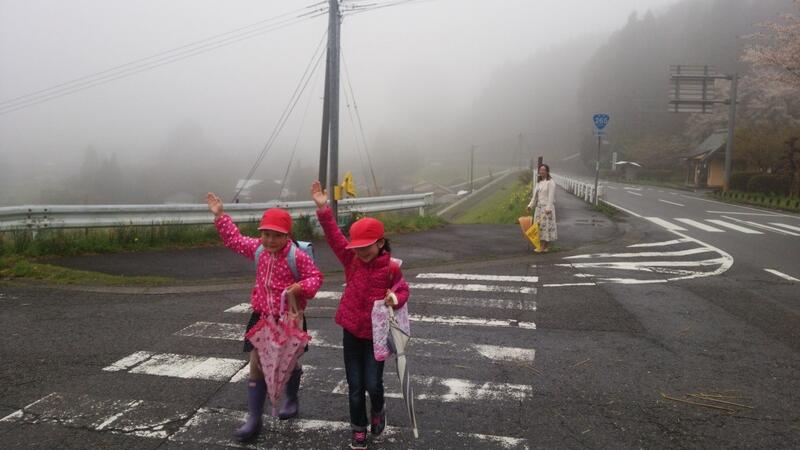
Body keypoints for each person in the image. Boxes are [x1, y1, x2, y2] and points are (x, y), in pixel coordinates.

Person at [206, 192, 323, 442]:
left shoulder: (296, 256)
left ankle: (291, 398)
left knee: (288, 362)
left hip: (289, 318)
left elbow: (315, 277)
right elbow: (234, 240)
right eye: (266, 233)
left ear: (287, 235)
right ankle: (254, 419)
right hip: (261, 315)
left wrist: (300, 288)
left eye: (277, 235)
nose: (270, 240)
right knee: (257, 363)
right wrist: (220, 216)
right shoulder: (258, 250)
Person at [310, 181, 410, 450]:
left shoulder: (391, 268)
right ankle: (358, 428)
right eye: (357, 247)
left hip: (376, 337)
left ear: (380, 243)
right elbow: (334, 236)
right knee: (354, 386)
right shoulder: (352, 260)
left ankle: (378, 408)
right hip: (352, 332)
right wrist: (323, 210)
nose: (361, 251)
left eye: (366, 246)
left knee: (373, 384)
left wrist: (394, 297)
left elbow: (403, 290)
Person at [526, 164, 558, 252]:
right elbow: (535, 197)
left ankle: (545, 246)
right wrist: (530, 206)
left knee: (546, 227)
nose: (542, 171)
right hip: (539, 209)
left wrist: (548, 208)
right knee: (539, 228)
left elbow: (551, 197)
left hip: (547, 209)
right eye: (540, 170)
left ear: (547, 171)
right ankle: (540, 245)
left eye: (543, 170)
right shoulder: (539, 183)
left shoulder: (550, 182)